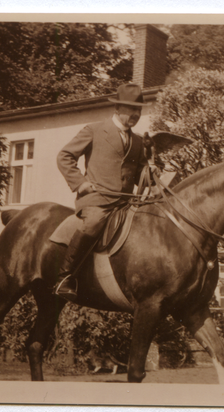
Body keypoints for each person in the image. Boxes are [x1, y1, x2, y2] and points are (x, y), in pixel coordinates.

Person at [54, 83, 155, 303]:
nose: (136, 114)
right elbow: (64, 156)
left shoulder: (137, 141)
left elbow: (140, 175)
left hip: (125, 203)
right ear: (118, 108)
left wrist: (151, 173)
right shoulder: (94, 130)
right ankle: (65, 277)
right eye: (131, 109)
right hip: (97, 200)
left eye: (138, 110)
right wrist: (80, 183)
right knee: (94, 223)